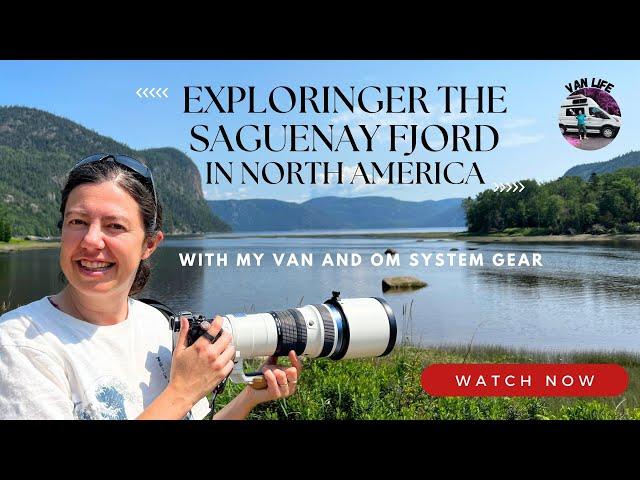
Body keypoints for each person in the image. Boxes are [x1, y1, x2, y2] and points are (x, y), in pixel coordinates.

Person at [0, 153, 301, 420]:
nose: (91, 240)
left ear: (149, 244)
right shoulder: (20, 343)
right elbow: (175, 402)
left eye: (114, 226)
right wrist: (182, 391)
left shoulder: (156, 324)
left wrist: (251, 397)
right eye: (77, 221)